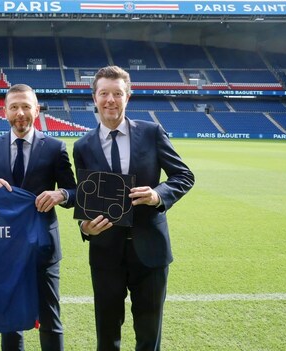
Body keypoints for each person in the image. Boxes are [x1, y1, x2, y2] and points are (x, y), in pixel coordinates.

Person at [73, 65, 195, 351]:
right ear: (94, 97)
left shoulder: (152, 133)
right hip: (105, 253)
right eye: (104, 93)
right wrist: (84, 227)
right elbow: (85, 197)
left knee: (149, 333)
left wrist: (158, 194)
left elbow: (184, 175)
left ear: (128, 96)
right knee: (106, 332)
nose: (110, 100)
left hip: (150, 251)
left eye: (118, 93)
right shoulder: (82, 146)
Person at [0, 83, 77, 351]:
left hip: (43, 247)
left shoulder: (55, 147)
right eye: (14, 107)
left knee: (50, 320)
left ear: (36, 109)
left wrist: (61, 195)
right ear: (5, 111)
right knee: (10, 322)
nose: (20, 112)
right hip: (5, 248)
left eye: (25, 106)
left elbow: (76, 190)